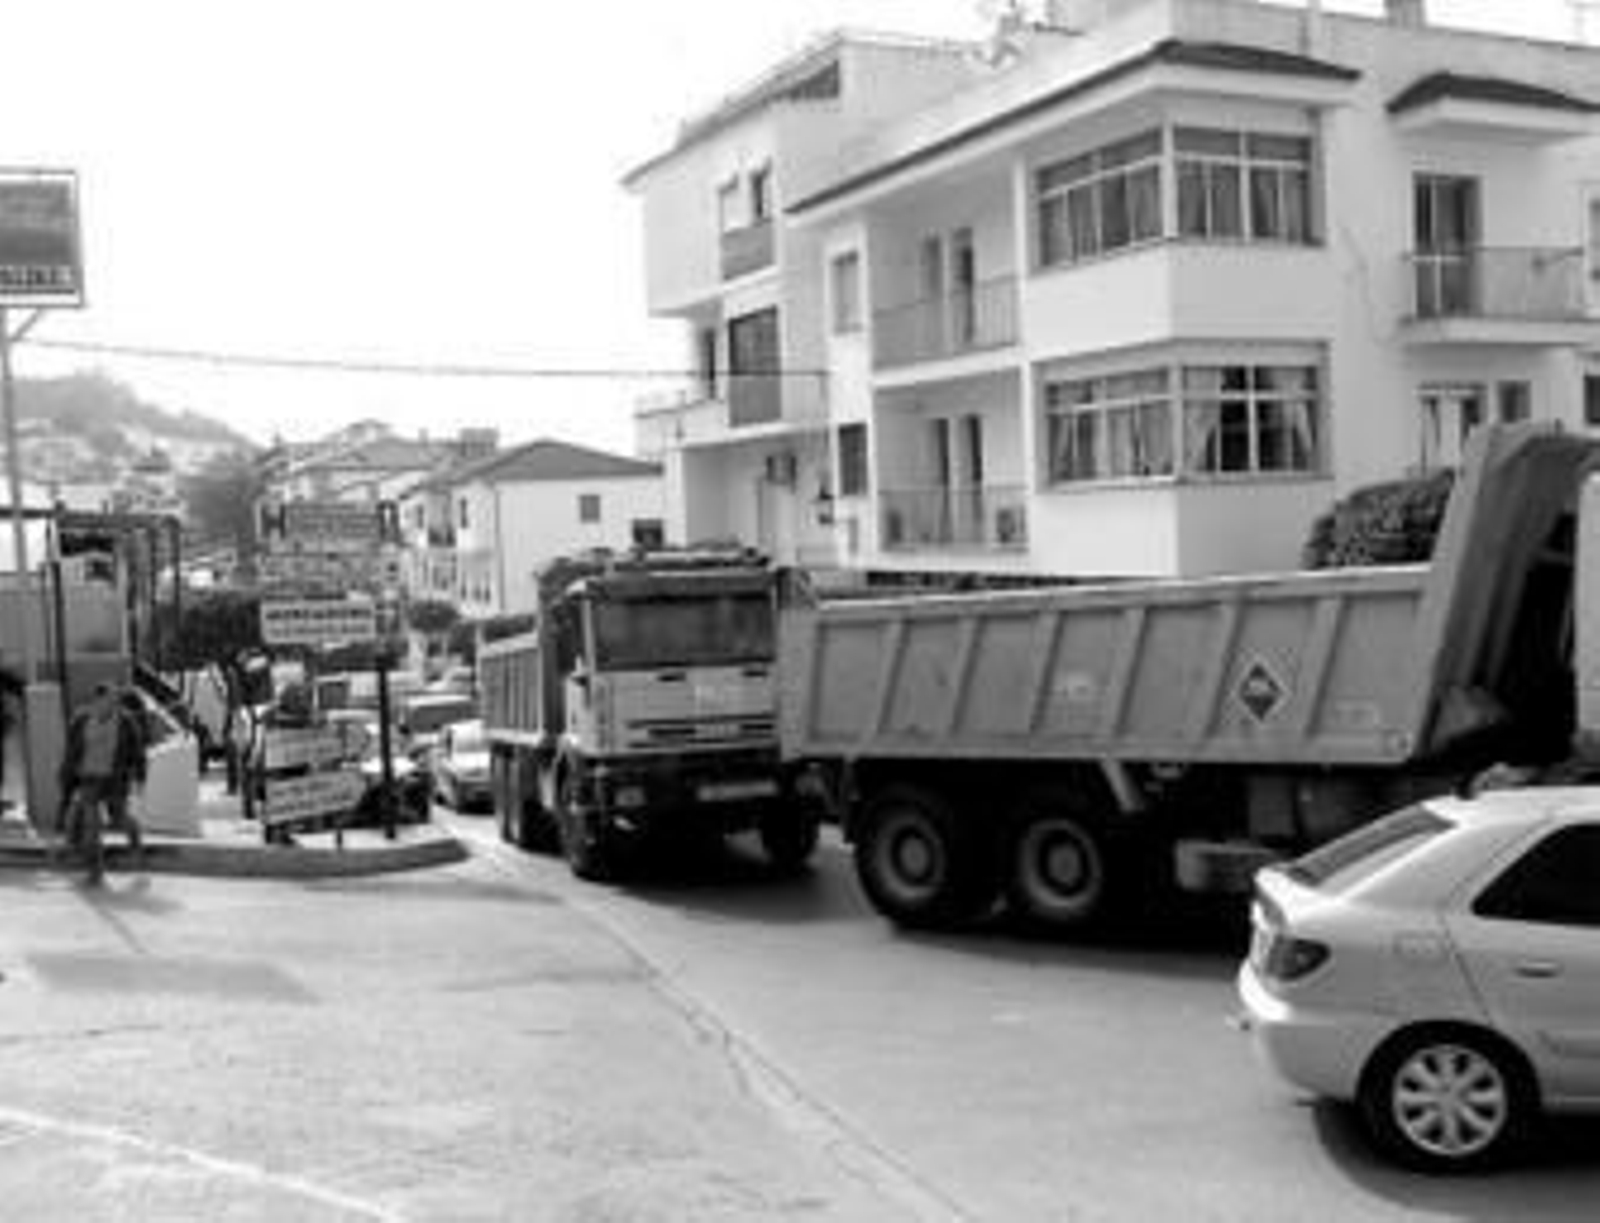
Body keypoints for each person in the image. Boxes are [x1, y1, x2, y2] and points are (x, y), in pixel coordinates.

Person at [59, 683, 146, 884]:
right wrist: (67, 775)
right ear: (97, 700)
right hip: (89, 779)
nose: (113, 703)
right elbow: (71, 751)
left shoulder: (126, 721)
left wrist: (141, 777)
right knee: (92, 826)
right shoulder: (81, 720)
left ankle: (134, 837)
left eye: (115, 699)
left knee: (119, 818)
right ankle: (95, 871)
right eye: (109, 699)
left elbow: (137, 751)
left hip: (115, 779)